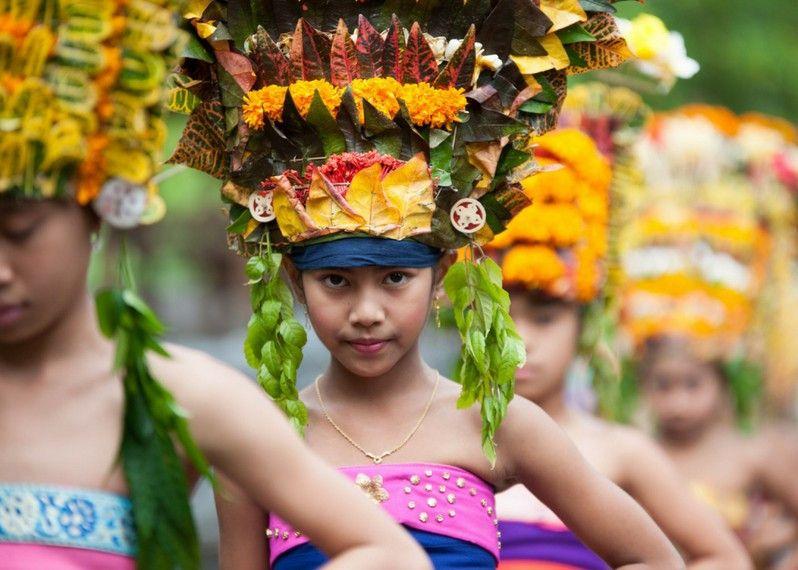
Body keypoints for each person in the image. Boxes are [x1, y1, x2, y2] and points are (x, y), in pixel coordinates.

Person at [171, 2, 685, 567]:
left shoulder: (500, 426)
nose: (367, 311)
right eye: (335, 281)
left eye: (396, 278)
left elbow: (655, 558)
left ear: (440, 276)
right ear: (294, 281)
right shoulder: (260, 440)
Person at [0, 5, 429, 569]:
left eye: (21, 230)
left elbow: (388, 554)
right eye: (336, 280)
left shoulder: (183, 398)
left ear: (100, 206)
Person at [488, 127, 749, 569]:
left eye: (546, 318)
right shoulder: (442, 436)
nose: (522, 338)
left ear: (586, 328)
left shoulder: (622, 451)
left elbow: (722, 557)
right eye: (503, 317)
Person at [619, 106, 798, 569]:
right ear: (642, 385)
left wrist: (771, 553)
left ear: (722, 382)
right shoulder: (633, 452)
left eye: (692, 385)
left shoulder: (754, 453)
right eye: (663, 385)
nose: (677, 402)